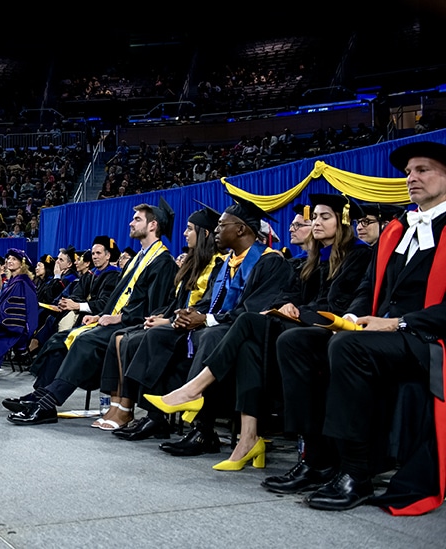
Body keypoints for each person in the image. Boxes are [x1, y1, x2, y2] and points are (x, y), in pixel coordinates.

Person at [274, 141, 446, 514]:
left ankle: (356, 473)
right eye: (408, 172)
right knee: (298, 341)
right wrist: (351, 318)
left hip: (428, 339)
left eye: (423, 170)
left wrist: (398, 322)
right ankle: (316, 458)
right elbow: (369, 288)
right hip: (384, 333)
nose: (411, 178)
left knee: (347, 349)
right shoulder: (398, 230)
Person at [149, 194, 371, 471]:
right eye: (314, 217)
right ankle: (248, 437)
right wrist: (286, 305)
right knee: (247, 344)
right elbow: (291, 294)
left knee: (246, 323)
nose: (315, 223)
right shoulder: (311, 260)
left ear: (344, 222)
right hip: (301, 322)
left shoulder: (358, 255)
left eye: (324, 217)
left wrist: (298, 310)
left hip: (329, 326)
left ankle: (194, 391)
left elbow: (339, 303)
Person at [140, 194, 291, 457]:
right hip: (221, 327)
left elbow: (252, 311)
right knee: (160, 336)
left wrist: (206, 319)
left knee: (211, 337)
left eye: (222, 226)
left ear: (241, 229)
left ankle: (202, 430)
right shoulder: (229, 264)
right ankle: (156, 415)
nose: (216, 231)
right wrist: (190, 314)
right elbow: (211, 302)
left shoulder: (270, 261)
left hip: (254, 338)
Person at [4, 201, 179, 425]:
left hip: (132, 326)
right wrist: (100, 316)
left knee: (84, 341)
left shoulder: (162, 262)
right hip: (115, 320)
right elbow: (118, 298)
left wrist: (120, 318)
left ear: (153, 225)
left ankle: (47, 403)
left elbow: (155, 307)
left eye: (137, 219)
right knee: (59, 339)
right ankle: (40, 396)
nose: (130, 222)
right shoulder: (140, 258)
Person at [98, 204, 225, 435]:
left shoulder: (217, 265)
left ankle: (151, 415)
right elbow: (175, 301)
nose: (184, 234)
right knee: (126, 337)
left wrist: (166, 322)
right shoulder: (192, 263)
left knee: (141, 338)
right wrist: (161, 316)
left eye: (189, 229)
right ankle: (137, 411)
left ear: (205, 233)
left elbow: (205, 305)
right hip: (176, 324)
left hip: (192, 328)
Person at [0, 249, 38, 379]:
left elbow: (18, 312)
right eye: (9, 258)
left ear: (22, 264)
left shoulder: (23, 283)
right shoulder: (11, 282)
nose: (9, 261)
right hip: (3, 322)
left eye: (14, 259)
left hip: (12, 327)